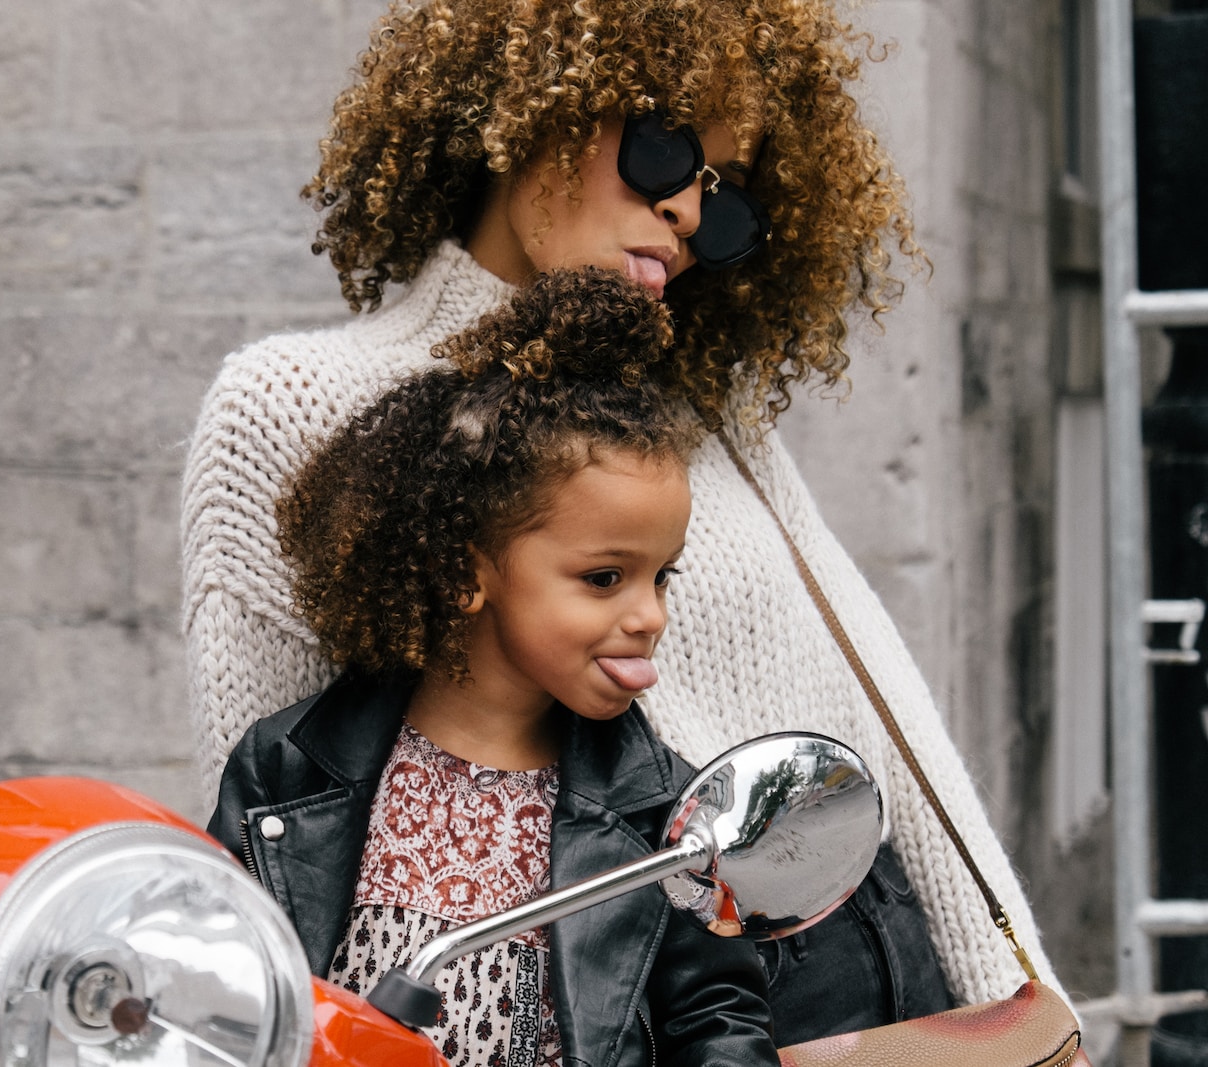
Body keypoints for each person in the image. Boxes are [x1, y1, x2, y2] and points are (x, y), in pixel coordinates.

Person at [181, 0, 1061, 1045]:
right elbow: (284, 831)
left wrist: (1027, 991)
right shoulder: (294, 404)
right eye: (664, 150)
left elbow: (886, 714)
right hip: (610, 996)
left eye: (726, 200)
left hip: (855, 956)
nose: (690, 211)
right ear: (540, 102)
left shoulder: (704, 419)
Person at [209, 269, 779, 1067]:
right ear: (462, 572)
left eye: (663, 575)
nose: (650, 614)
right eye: (605, 578)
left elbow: (717, 1020)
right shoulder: (290, 770)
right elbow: (216, 994)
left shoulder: (663, 817)